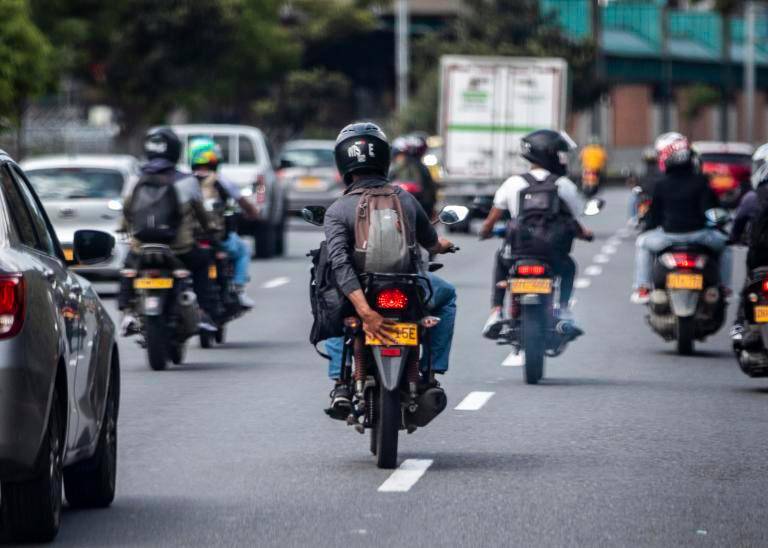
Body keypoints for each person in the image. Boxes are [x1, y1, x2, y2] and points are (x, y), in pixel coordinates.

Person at [322, 122, 458, 414]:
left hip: (361, 294)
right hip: (410, 289)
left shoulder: (337, 210)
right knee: (447, 295)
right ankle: (430, 372)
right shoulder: (406, 200)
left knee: (329, 305)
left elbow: (340, 263)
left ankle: (341, 381)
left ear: (342, 162)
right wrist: (443, 245)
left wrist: (365, 312)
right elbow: (431, 243)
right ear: (384, 158)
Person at [479, 129, 591, 338]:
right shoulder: (563, 185)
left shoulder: (513, 183)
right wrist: (586, 234)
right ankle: (564, 310)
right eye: (559, 154)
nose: (562, 159)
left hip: (517, 254)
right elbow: (576, 220)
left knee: (501, 260)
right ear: (549, 155)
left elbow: (490, 221)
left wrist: (485, 232)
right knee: (569, 267)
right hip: (553, 255)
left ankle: (496, 312)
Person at [118, 127, 218, 335]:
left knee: (129, 268)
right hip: (179, 249)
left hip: (141, 245)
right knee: (202, 264)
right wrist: (210, 228)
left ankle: (127, 312)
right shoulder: (188, 181)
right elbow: (202, 215)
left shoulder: (135, 180)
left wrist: (124, 229)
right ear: (175, 151)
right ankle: (202, 312)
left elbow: (126, 212)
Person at [631, 132, 732, 304]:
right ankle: (724, 287)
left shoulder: (660, 184)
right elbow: (713, 210)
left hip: (668, 237)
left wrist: (647, 225)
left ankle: (643, 288)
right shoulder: (701, 182)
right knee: (726, 246)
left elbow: (653, 217)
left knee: (642, 243)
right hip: (700, 236)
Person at [188, 137, 259, 309]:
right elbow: (245, 205)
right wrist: (253, 214)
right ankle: (239, 289)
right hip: (219, 239)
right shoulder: (221, 181)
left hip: (190, 240)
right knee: (244, 249)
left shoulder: (185, 181)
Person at [729, 143, 768, 340]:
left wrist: (734, 239)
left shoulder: (751, 198)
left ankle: (739, 323)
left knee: (749, 283)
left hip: (759, 255)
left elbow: (736, 227)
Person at [388, 134, 438, 218]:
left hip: (421, 207)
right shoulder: (393, 169)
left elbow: (430, 192)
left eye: (401, 156)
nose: (400, 159)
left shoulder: (421, 168)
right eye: (399, 156)